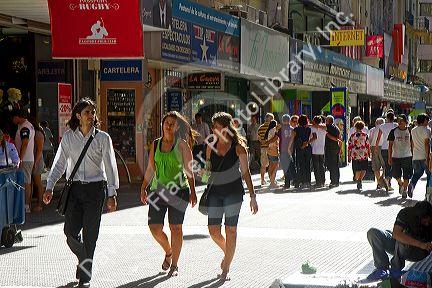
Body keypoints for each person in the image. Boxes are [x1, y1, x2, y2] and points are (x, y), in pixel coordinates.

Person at [43, 98, 119, 288]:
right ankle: (84, 259)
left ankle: (85, 273)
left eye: (93, 112)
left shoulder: (103, 138)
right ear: (78, 116)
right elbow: (59, 163)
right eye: (87, 112)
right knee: (70, 232)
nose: (91, 115)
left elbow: (110, 167)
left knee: (91, 234)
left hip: (95, 190)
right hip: (75, 190)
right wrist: (49, 186)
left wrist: (112, 194)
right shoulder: (69, 137)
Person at [140, 111, 197, 277]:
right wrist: (144, 187)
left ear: (177, 126)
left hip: (179, 191)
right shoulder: (155, 144)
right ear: (162, 125)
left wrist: (193, 192)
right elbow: (151, 168)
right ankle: (169, 251)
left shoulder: (182, 145)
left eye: (172, 123)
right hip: (158, 191)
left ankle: (175, 265)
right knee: (154, 228)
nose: (169, 125)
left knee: (176, 228)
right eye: (166, 123)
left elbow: (189, 170)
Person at [205, 112, 258, 281]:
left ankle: (226, 268)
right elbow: (207, 170)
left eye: (217, 127)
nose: (214, 130)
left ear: (226, 128)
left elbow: (246, 173)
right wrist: (202, 175)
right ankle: (228, 253)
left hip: (233, 193)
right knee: (213, 231)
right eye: (213, 127)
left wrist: (253, 196)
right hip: (214, 192)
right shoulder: (210, 146)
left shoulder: (238, 147)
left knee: (231, 230)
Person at [366, 201, 432, 281]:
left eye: (429, 221)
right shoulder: (405, 213)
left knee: (402, 239)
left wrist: (424, 245)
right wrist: (420, 244)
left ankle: (394, 271)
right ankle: (381, 269)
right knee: (373, 233)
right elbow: (396, 234)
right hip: (401, 245)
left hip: (418, 252)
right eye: (425, 222)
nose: (427, 224)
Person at [11, 109, 35, 213]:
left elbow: (25, 143)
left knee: (26, 183)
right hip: (27, 158)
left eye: (13, 118)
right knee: (26, 182)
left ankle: (26, 206)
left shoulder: (25, 127)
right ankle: (26, 205)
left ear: (17, 117)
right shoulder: (26, 125)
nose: (12, 120)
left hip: (25, 159)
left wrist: (20, 159)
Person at [388, 114, 413, 199]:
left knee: (407, 175)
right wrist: (389, 157)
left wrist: (413, 155)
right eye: (398, 121)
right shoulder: (393, 131)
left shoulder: (410, 131)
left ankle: (405, 191)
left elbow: (413, 144)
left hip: (407, 155)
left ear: (406, 122)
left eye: (401, 121)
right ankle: (401, 183)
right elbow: (390, 145)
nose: (399, 122)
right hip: (396, 156)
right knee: (395, 174)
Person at [408, 113, 431, 198]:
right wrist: (428, 158)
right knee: (429, 175)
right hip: (424, 156)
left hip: (416, 156)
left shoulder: (413, 130)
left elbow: (412, 143)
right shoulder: (426, 130)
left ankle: (412, 185)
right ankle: (427, 194)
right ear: (424, 120)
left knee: (417, 173)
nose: (428, 122)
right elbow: (427, 145)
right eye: (427, 120)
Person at [376, 111, 398, 191]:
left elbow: (378, 138)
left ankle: (386, 181)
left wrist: (376, 147)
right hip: (393, 148)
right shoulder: (396, 125)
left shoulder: (382, 126)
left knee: (386, 165)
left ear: (387, 118)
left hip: (384, 148)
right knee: (392, 166)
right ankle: (388, 180)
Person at [348, 121, 371, 191]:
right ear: (363, 127)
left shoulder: (352, 136)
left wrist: (349, 156)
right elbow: (368, 145)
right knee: (364, 168)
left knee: (357, 169)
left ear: (355, 127)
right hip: (364, 154)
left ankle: (358, 179)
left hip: (355, 154)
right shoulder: (365, 135)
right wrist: (369, 153)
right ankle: (360, 180)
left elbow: (350, 146)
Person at [292, 115, 312, 188]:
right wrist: (306, 143)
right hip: (307, 148)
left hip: (299, 149)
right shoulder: (309, 129)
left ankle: (302, 181)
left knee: (300, 165)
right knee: (307, 165)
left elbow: (292, 138)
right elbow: (311, 138)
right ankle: (308, 181)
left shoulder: (296, 129)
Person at [29, 118, 45, 212]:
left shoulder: (38, 133)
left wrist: (35, 162)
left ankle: (40, 204)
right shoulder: (34, 132)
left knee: (38, 183)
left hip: (37, 160)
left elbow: (39, 150)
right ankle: (29, 204)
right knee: (30, 183)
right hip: (33, 160)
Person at [369, 118, 387, 191]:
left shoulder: (372, 130)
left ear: (376, 123)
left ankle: (378, 183)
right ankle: (383, 180)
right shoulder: (385, 128)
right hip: (384, 148)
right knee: (385, 166)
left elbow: (370, 140)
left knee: (376, 167)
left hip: (374, 147)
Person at [310, 116, 327, 188]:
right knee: (321, 166)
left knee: (316, 167)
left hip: (314, 149)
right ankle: (323, 181)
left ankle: (318, 182)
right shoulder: (324, 128)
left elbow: (313, 137)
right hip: (322, 149)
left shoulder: (312, 128)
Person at [277, 114, 294, 189]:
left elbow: (277, 137)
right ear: (289, 120)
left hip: (283, 149)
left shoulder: (281, 129)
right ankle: (294, 180)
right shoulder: (292, 129)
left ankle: (287, 184)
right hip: (291, 150)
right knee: (291, 166)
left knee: (285, 167)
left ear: (283, 120)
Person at [258, 113, 274, 186]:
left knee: (263, 165)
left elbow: (259, 138)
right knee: (272, 164)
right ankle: (272, 180)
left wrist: (262, 142)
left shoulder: (260, 127)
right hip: (271, 147)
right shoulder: (272, 127)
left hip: (263, 148)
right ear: (271, 119)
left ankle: (262, 180)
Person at [325, 116, 341, 188]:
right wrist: (339, 148)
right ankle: (336, 181)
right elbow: (339, 138)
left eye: (326, 120)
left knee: (332, 165)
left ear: (328, 121)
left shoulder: (328, 127)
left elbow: (337, 138)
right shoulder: (336, 128)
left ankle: (333, 181)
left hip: (331, 149)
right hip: (335, 148)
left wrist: (328, 135)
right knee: (335, 165)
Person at [264, 120, 279, 189]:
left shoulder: (269, 130)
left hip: (269, 149)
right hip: (273, 149)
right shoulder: (274, 130)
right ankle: (272, 182)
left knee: (271, 165)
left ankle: (271, 181)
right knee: (275, 166)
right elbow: (275, 138)